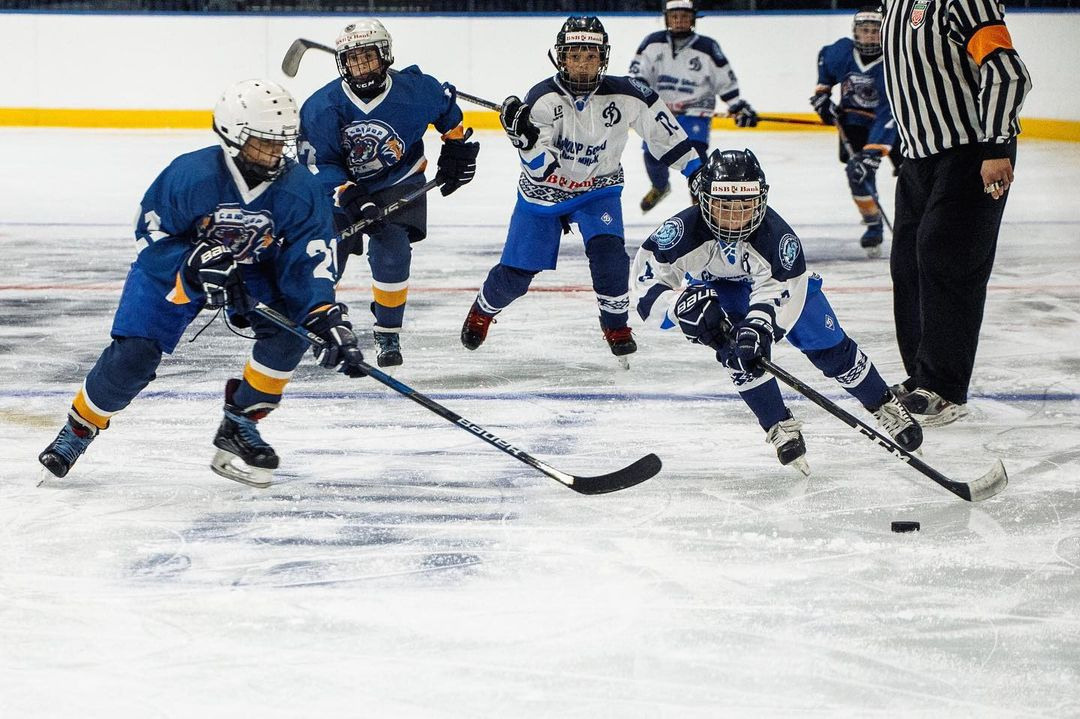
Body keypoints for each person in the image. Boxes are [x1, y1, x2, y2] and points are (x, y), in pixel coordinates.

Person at [38, 79, 365, 488]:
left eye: (281, 142)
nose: (276, 152)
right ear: (232, 135)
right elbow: (151, 233)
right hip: (179, 267)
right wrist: (192, 260)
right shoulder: (190, 175)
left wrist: (322, 314)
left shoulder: (300, 189)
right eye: (264, 142)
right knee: (134, 356)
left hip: (252, 270)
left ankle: (240, 422)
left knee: (292, 331)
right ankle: (81, 427)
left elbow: (309, 258)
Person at [631, 148, 921, 474]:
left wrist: (760, 327)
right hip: (721, 290)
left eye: (744, 207)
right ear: (703, 201)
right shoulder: (682, 231)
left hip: (776, 290)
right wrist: (678, 307)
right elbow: (645, 282)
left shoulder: (778, 238)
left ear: (760, 201)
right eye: (724, 207)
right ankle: (777, 423)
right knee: (734, 352)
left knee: (826, 341)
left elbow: (785, 290)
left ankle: (883, 403)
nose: (734, 218)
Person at [460, 15, 704, 365]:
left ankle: (616, 325)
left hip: (598, 189)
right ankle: (483, 310)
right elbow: (540, 169)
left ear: (603, 57)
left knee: (610, 257)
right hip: (544, 195)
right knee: (516, 275)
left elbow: (663, 132)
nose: (582, 63)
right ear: (561, 57)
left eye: (590, 55)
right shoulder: (542, 99)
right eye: (575, 55)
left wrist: (694, 169)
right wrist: (526, 142)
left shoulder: (629, 93)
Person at [881, 0, 1031, 425]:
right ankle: (921, 377)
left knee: (947, 260)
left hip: (972, 150)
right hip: (920, 157)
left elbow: (1007, 72)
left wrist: (997, 145)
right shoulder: (893, 5)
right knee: (908, 266)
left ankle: (944, 387)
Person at [299, 19, 479, 367]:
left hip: (397, 179)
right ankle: (321, 323)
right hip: (341, 187)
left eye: (367, 58)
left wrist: (456, 148)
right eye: (352, 60)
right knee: (327, 251)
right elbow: (318, 165)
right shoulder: (321, 107)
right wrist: (350, 195)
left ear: (385, 56)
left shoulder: (417, 90)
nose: (360, 67)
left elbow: (448, 114)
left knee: (393, 252)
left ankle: (388, 331)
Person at [629, 0, 758, 213]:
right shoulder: (651, 43)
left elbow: (724, 79)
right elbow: (638, 75)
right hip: (660, 113)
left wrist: (737, 105)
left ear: (693, 19)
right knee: (652, 155)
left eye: (685, 16)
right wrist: (639, 97)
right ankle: (660, 187)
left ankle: (701, 202)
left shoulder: (708, 47)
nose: (679, 21)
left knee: (696, 157)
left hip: (695, 113)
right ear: (667, 19)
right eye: (674, 17)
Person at [810, 5, 900, 258]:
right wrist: (822, 96)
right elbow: (825, 63)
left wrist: (875, 150)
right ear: (855, 32)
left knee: (911, 173)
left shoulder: (894, 62)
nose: (870, 35)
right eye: (865, 30)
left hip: (895, 123)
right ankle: (873, 223)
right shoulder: (841, 52)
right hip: (856, 122)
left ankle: (916, 223)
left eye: (875, 31)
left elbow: (890, 111)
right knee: (857, 172)